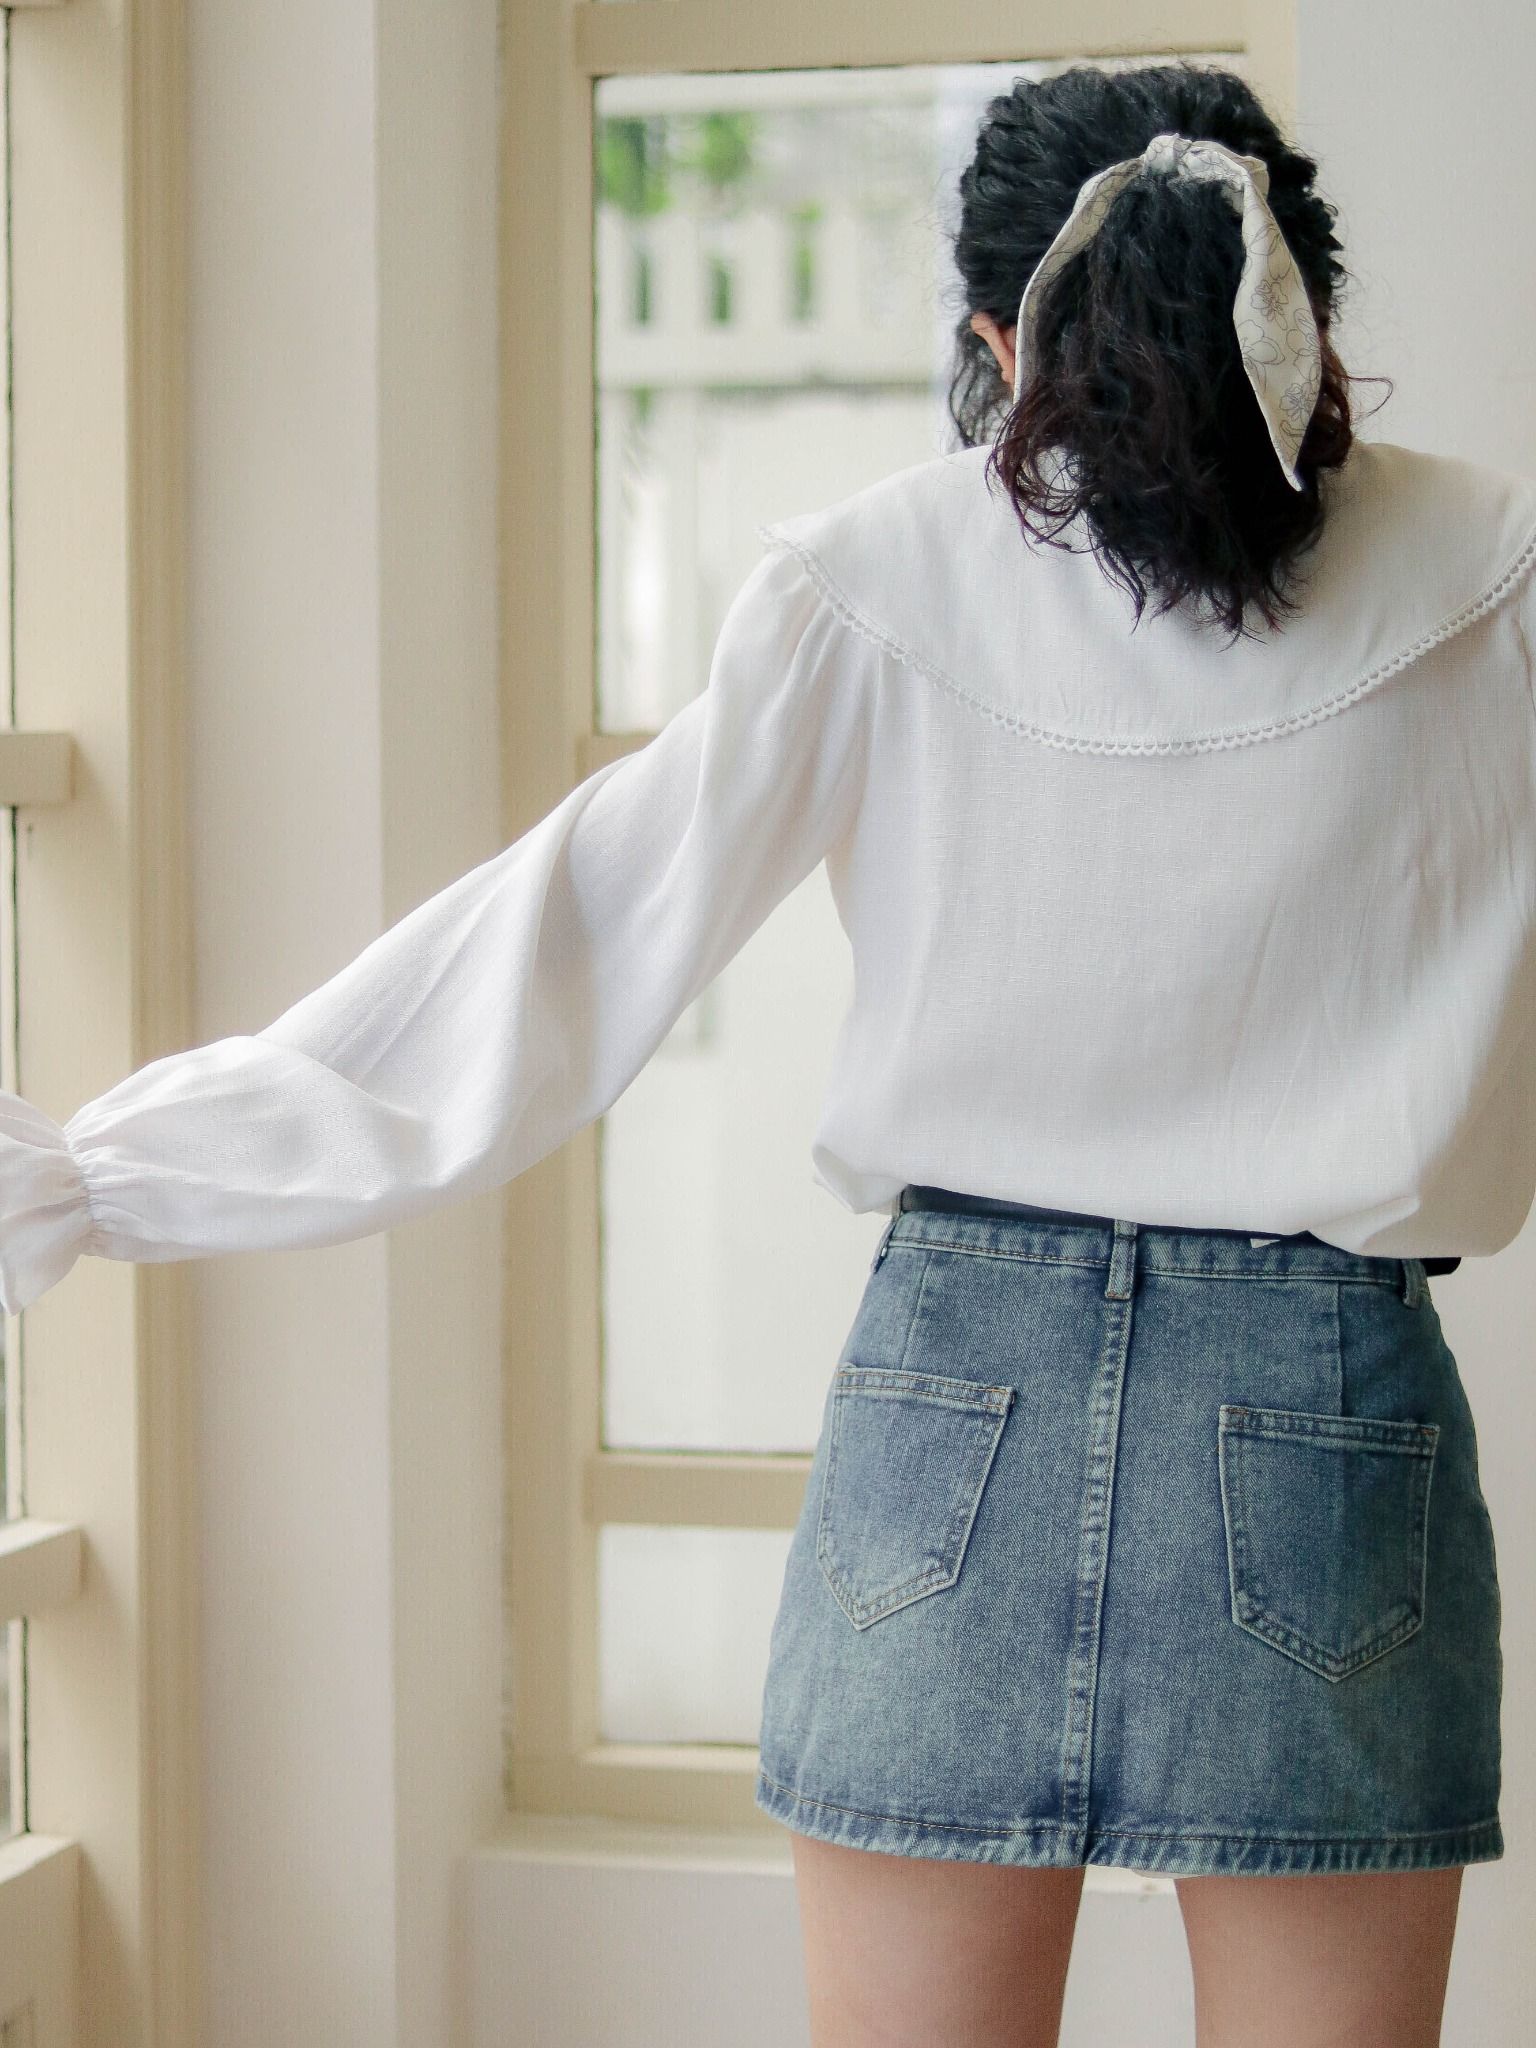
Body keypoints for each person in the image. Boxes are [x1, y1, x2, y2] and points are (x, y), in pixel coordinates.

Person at [0, 56, 1521, 2048]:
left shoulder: (867, 574)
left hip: (950, 1410)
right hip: (1331, 1430)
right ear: (1299, 300)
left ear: (998, 339)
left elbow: (560, 948)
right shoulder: (1489, 572)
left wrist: (101, 1177)